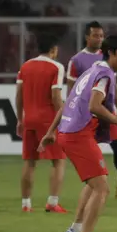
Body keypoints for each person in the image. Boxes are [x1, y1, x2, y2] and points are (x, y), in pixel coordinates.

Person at [40, 35, 117, 232]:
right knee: (102, 189)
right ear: (111, 52)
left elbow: (68, 102)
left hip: (69, 132)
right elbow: (94, 105)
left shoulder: (90, 71)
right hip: (78, 134)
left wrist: (52, 131)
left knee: (94, 183)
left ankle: (76, 229)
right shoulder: (104, 74)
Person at [67, 21, 117, 198]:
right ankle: (94, 185)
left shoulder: (108, 57)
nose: (99, 39)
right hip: (87, 117)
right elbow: (72, 91)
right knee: (90, 153)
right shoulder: (77, 60)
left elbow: (114, 89)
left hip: (107, 113)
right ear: (87, 37)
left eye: (101, 36)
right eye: (95, 35)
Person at [15, 33, 68, 213]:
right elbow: (56, 96)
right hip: (48, 120)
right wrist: (63, 117)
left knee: (30, 162)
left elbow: (19, 95)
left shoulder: (25, 67)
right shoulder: (57, 67)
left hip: (29, 118)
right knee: (58, 160)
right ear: (53, 50)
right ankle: (52, 203)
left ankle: (25, 204)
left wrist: (20, 118)